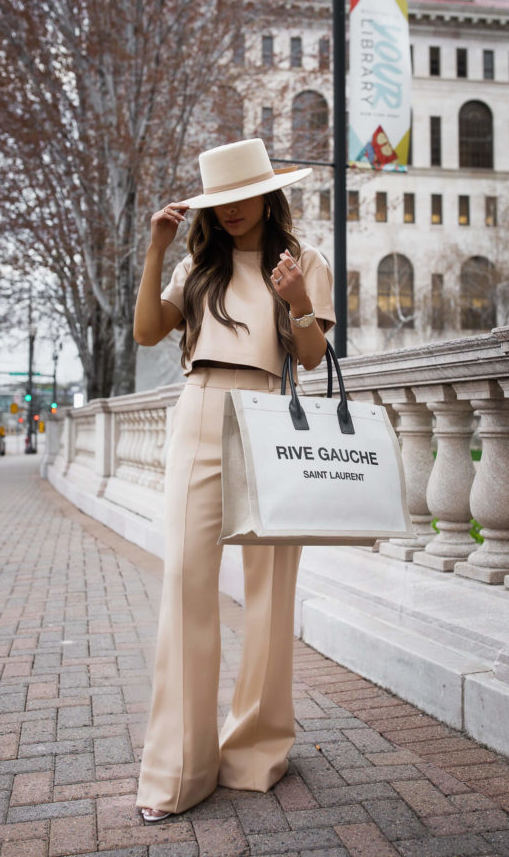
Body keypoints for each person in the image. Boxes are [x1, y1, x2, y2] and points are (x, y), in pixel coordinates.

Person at [133, 137, 335, 821]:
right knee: (186, 586)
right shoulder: (199, 265)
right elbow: (145, 332)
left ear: (267, 193)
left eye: (242, 198)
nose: (232, 214)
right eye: (219, 205)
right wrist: (159, 248)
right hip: (197, 414)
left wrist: (299, 298)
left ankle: (255, 748)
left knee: (271, 592)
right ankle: (178, 769)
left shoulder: (302, 260)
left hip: (268, 418)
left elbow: (310, 357)